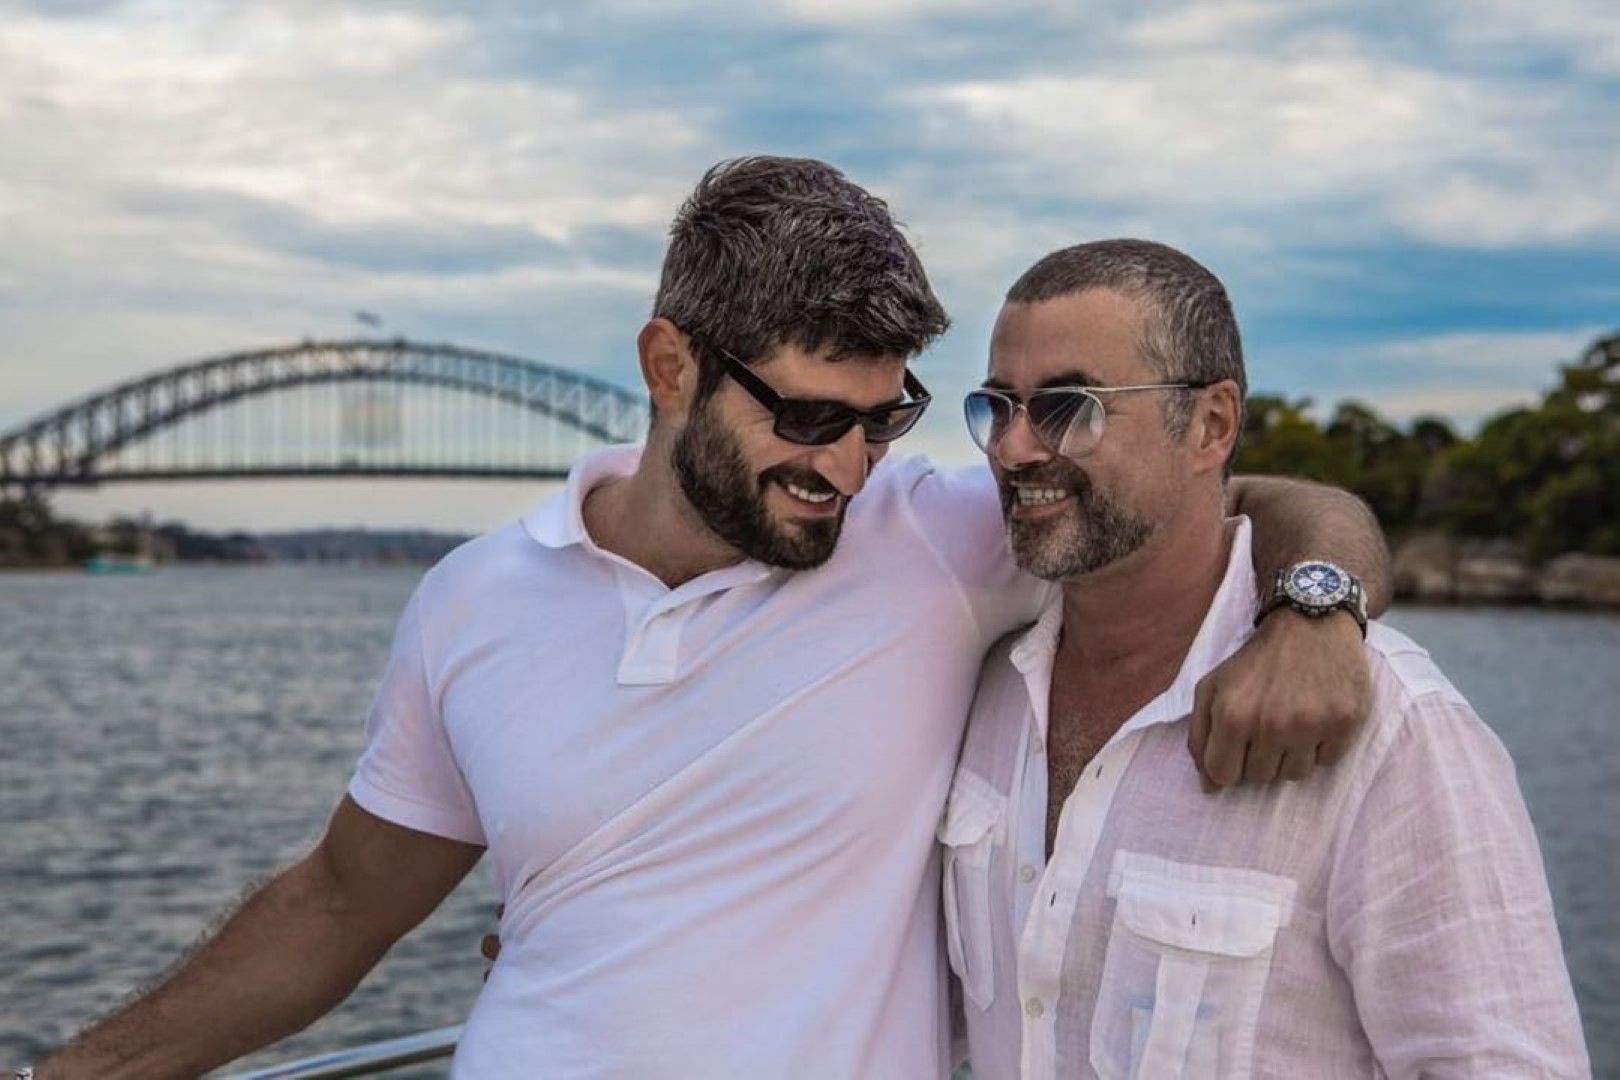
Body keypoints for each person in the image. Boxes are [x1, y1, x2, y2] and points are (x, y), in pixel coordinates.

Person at [34, 160, 1389, 1079]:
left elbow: (1262, 498)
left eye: (884, 420)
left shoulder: (938, 543)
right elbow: (339, 905)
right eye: (804, 416)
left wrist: (1317, 613)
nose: (846, 467)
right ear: (668, 364)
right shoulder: (472, 601)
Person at [943, 238, 1589, 1078]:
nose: (1013, 448)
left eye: (1070, 407)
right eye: (998, 406)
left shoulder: (1397, 734)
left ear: (1210, 425)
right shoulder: (979, 672)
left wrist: (1317, 613)